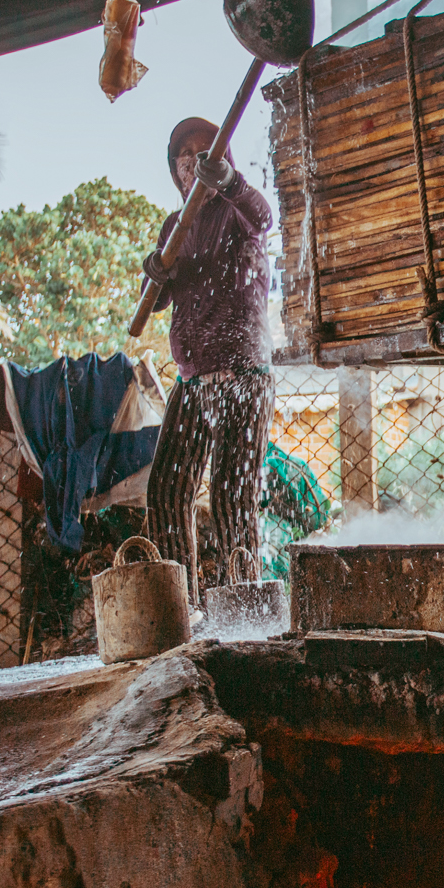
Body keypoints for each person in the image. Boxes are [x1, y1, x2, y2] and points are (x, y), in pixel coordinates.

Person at [142, 116, 275, 593]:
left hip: (243, 371)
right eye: (184, 161)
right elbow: (153, 300)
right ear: (176, 174)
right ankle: (185, 607)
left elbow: (264, 217)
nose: (192, 167)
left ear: (221, 163)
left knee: (230, 496)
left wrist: (231, 183)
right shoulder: (174, 227)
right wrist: (155, 270)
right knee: (166, 492)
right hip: (194, 377)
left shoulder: (238, 211)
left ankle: (248, 607)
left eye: (205, 156)